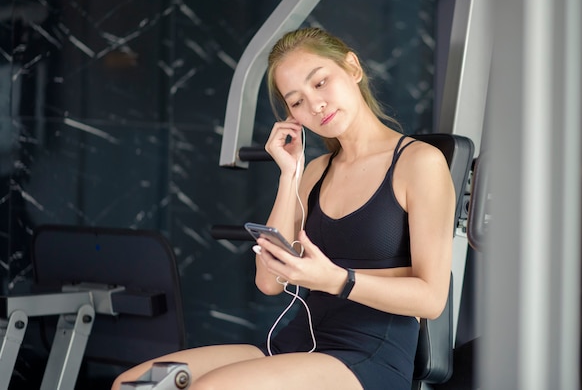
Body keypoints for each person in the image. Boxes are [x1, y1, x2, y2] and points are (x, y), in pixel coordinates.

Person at [111, 27, 455, 390]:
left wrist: (335, 280)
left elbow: (431, 299)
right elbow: (268, 283)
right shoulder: (316, 172)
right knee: (134, 385)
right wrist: (289, 175)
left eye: (320, 83)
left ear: (352, 68)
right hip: (296, 345)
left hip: (368, 356)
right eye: (297, 101)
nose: (315, 105)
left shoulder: (419, 163)